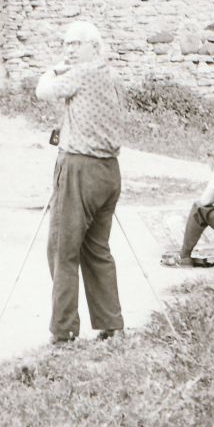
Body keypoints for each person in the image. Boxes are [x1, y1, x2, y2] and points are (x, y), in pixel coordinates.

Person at [35, 20, 125, 345]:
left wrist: (52, 68)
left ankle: (63, 332)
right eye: (66, 44)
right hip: (109, 171)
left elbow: (42, 91)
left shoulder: (83, 73)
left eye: (76, 44)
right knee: (97, 248)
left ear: (94, 47)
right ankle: (112, 325)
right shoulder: (112, 76)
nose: (69, 50)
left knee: (62, 250)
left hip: (80, 169)